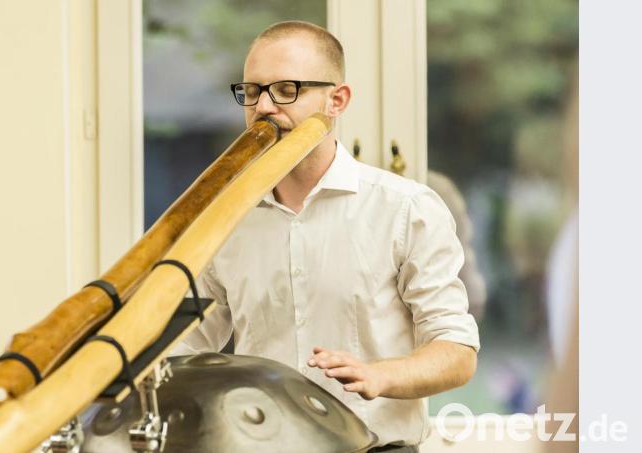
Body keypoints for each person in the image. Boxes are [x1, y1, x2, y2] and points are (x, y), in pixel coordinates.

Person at [171, 21, 480, 452]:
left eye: (285, 90)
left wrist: (381, 375)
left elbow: (456, 351)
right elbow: (185, 349)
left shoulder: (406, 208)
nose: (263, 107)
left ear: (337, 100)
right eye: (252, 91)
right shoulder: (224, 218)